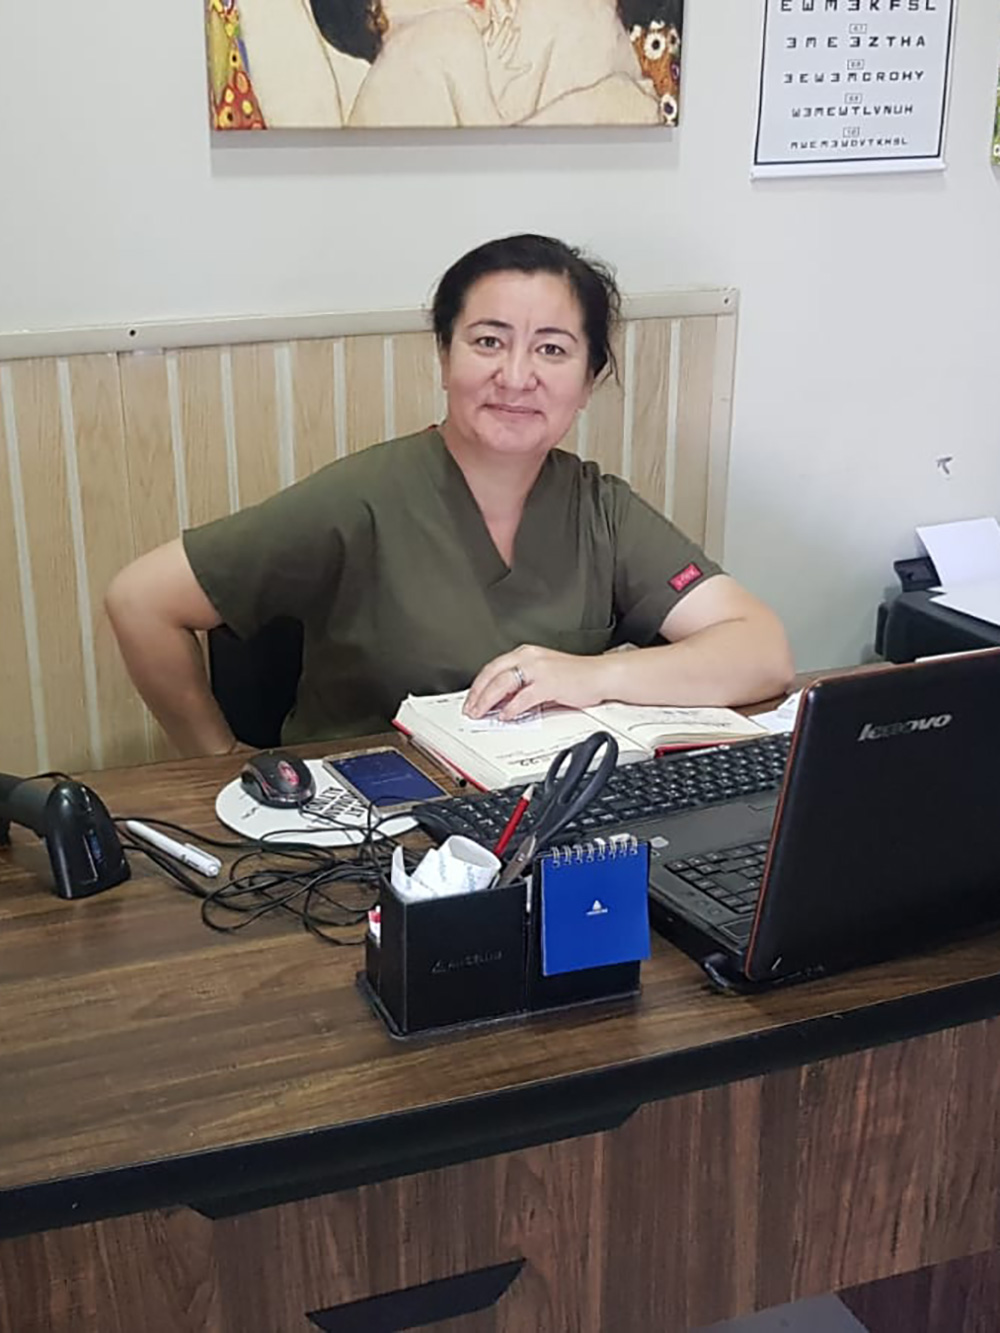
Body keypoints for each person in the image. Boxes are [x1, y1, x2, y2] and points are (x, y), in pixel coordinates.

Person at [105, 234, 794, 757]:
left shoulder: (599, 509)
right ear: (444, 358)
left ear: (588, 383)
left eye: (552, 350)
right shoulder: (361, 498)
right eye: (488, 341)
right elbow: (141, 600)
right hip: (369, 835)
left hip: (536, 827)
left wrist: (593, 677)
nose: (516, 376)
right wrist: (219, 766)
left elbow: (761, 651)